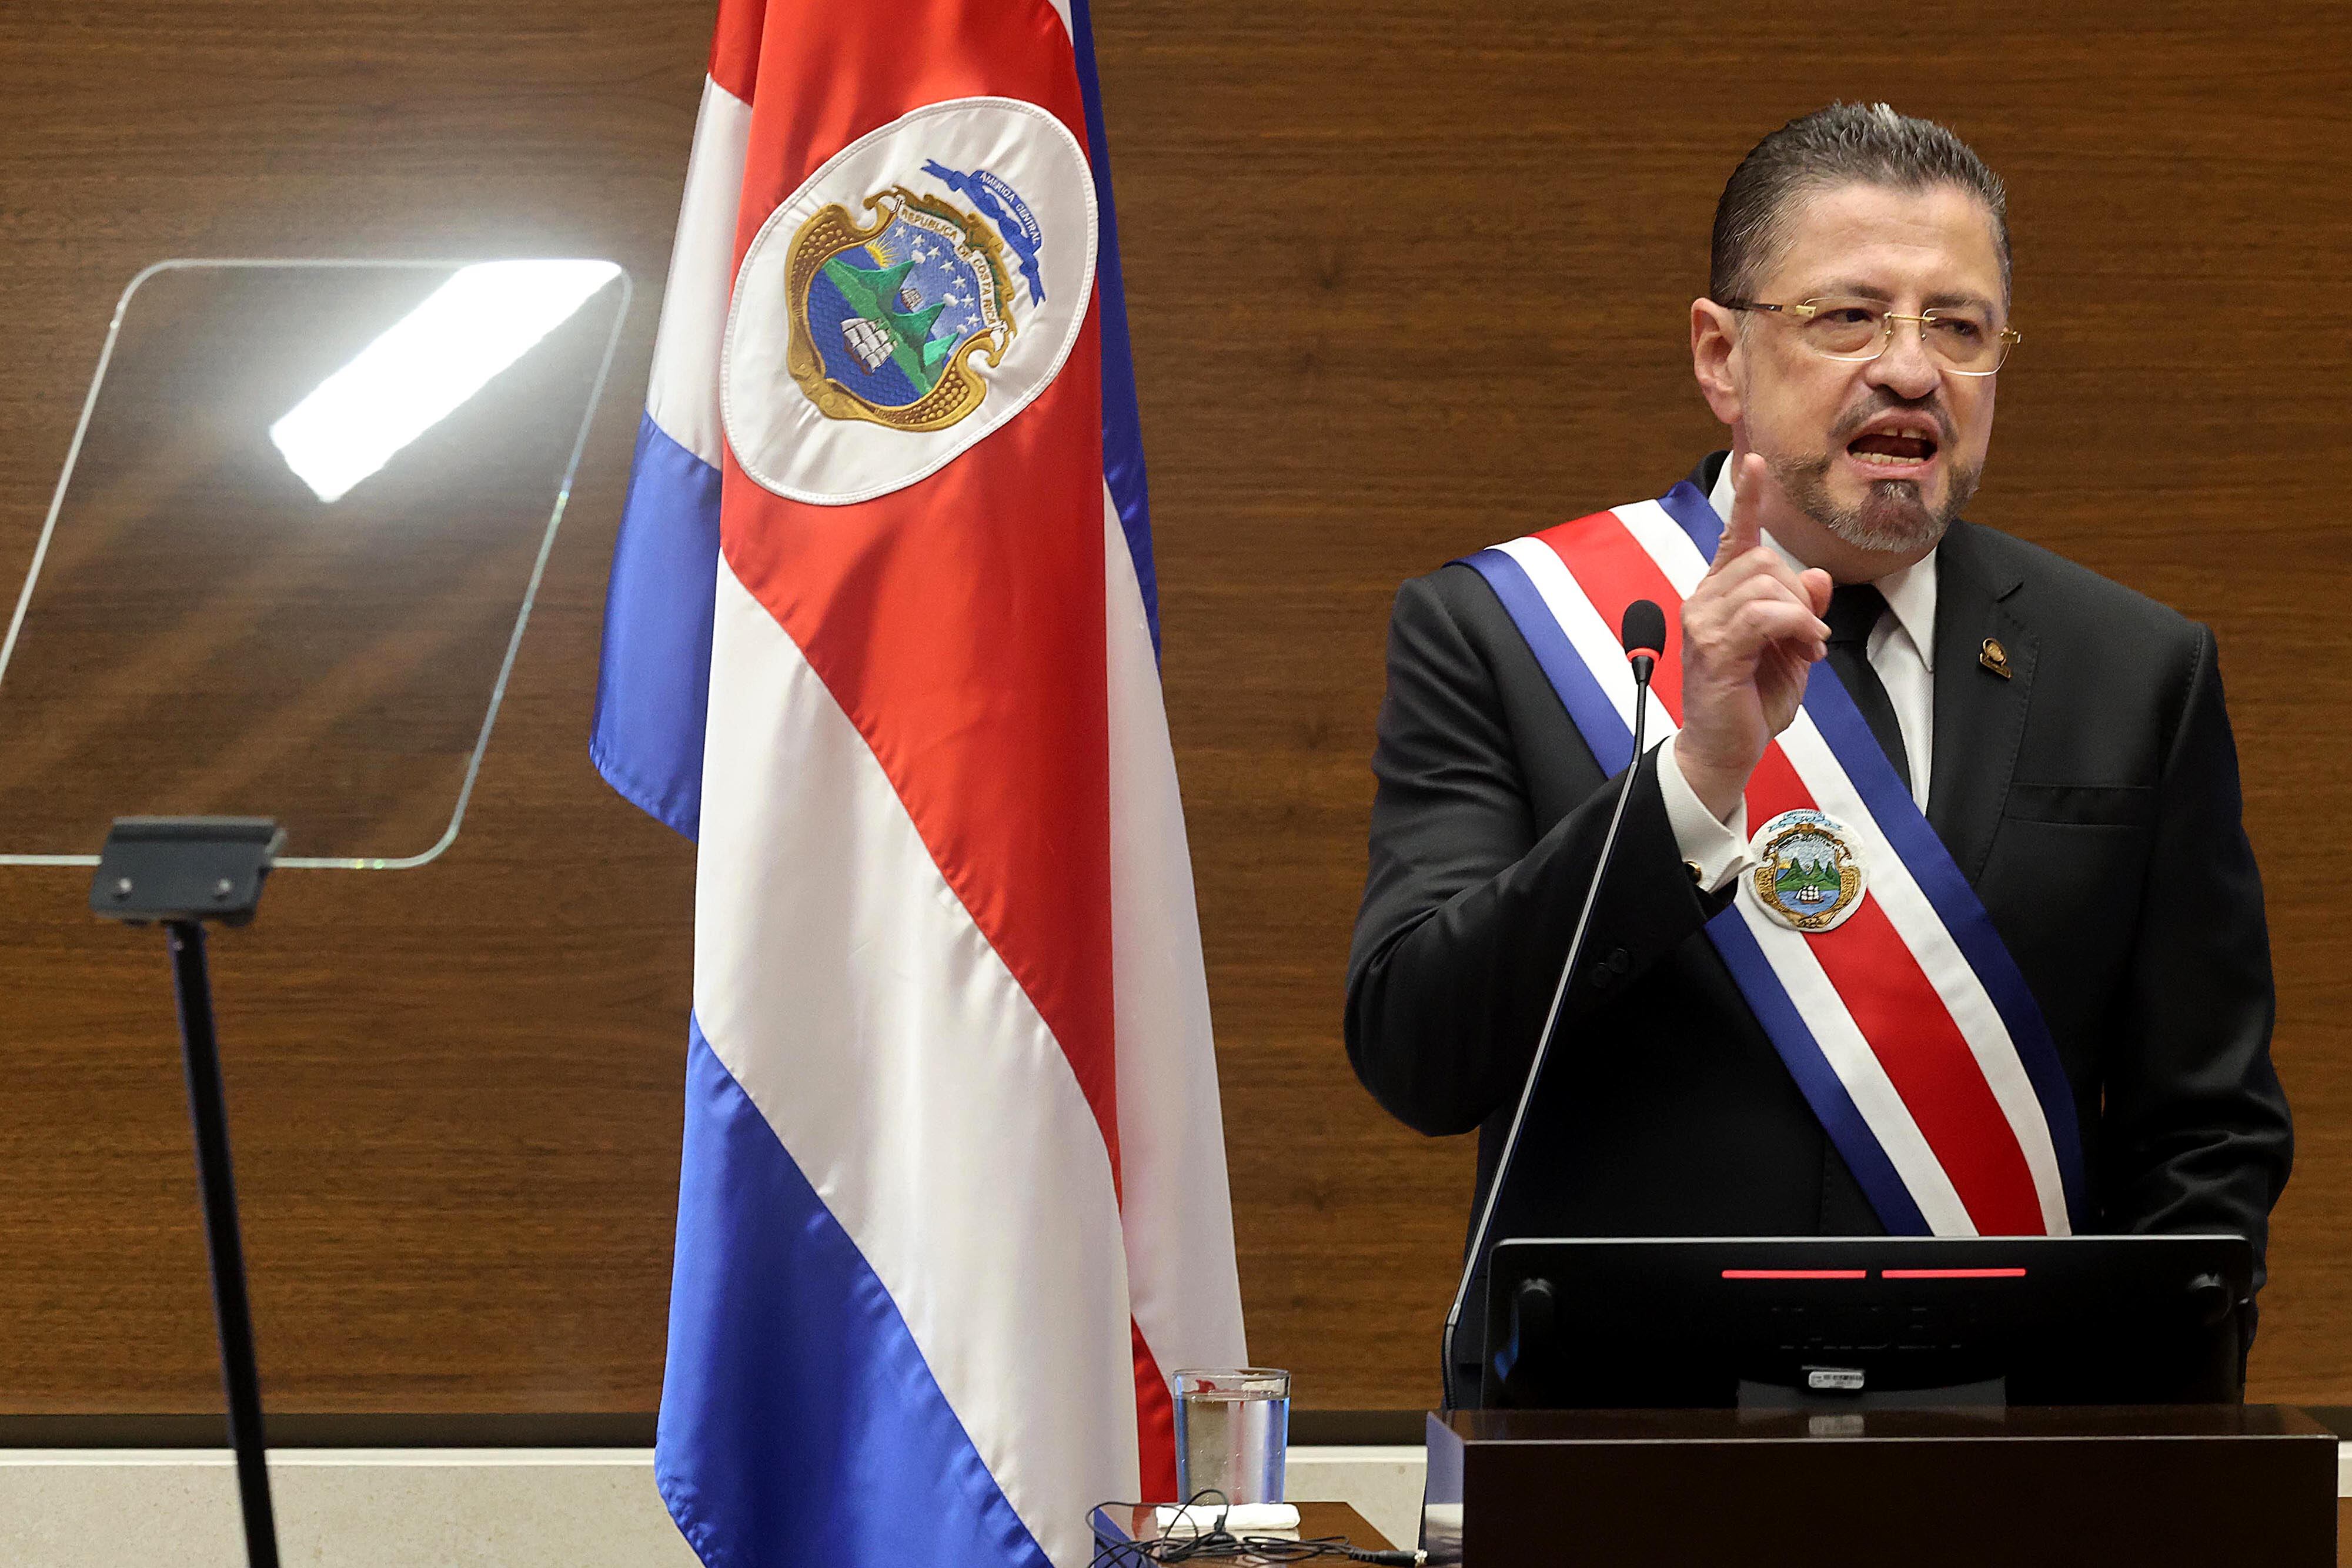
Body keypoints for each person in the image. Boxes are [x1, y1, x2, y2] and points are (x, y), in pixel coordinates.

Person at [1344, 103, 2293, 1395]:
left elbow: (2206, 1126)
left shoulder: (2134, 667)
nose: (1909, 370)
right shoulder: (1505, 630)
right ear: (1719, 353)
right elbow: (1418, 1052)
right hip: (1624, 1457)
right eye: (1848, 316)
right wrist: (1695, 780)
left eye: (1957, 327)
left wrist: (2136, 1422)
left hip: (2011, 1471)